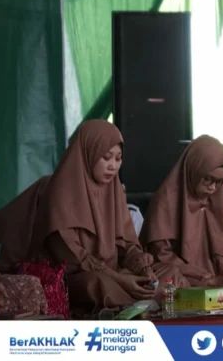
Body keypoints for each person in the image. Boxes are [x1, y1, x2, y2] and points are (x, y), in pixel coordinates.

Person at [36, 120, 160, 313]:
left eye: (118, 159)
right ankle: (137, 303)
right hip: (76, 276)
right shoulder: (60, 193)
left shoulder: (114, 191)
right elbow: (74, 258)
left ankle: (139, 299)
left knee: (163, 275)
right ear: (88, 154)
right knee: (97, 285)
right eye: (106, 157)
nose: (113, 166)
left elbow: (126, 244)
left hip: (114, 272)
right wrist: (122, 280)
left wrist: (143, 268)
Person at [141, 135, 223, 287]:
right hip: (181, 278)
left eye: (219, 182)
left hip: (213, 281)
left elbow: (222, 247)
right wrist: (203, 278)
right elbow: (161, 254)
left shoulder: (216, 199)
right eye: (207, 179)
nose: (212, 187)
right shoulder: (166, 200)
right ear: (194, 169)